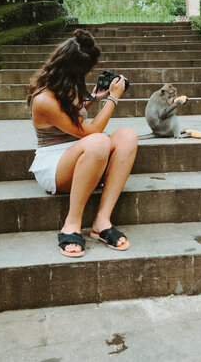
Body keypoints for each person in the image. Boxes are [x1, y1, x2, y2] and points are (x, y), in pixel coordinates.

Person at [27, 28, 138, 257]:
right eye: (88, 70)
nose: (90, 73)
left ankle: (102, 221)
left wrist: (93, 100)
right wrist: (113, 98)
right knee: (98, 141)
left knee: (127, 135)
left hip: (84, 152)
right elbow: (91, 131)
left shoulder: (68, 88)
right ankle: (72, 223)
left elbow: (74, 120)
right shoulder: (43, 100)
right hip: (55, 165)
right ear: (73, 70)